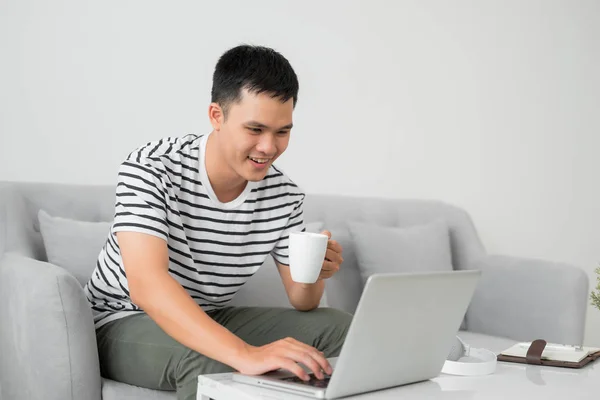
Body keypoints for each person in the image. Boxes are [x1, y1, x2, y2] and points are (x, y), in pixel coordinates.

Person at [83, 44, 352, 400]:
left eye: (282, 132)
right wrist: (244, 353)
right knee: (214, 360)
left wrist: (316, 273)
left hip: (212, 316)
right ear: (216, 115)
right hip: (122, 320)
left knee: (345, 329)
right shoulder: (151, 167)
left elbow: (303, 301)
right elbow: (146, 286)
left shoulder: (284, 194)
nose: (269, 147)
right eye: (255, 129)